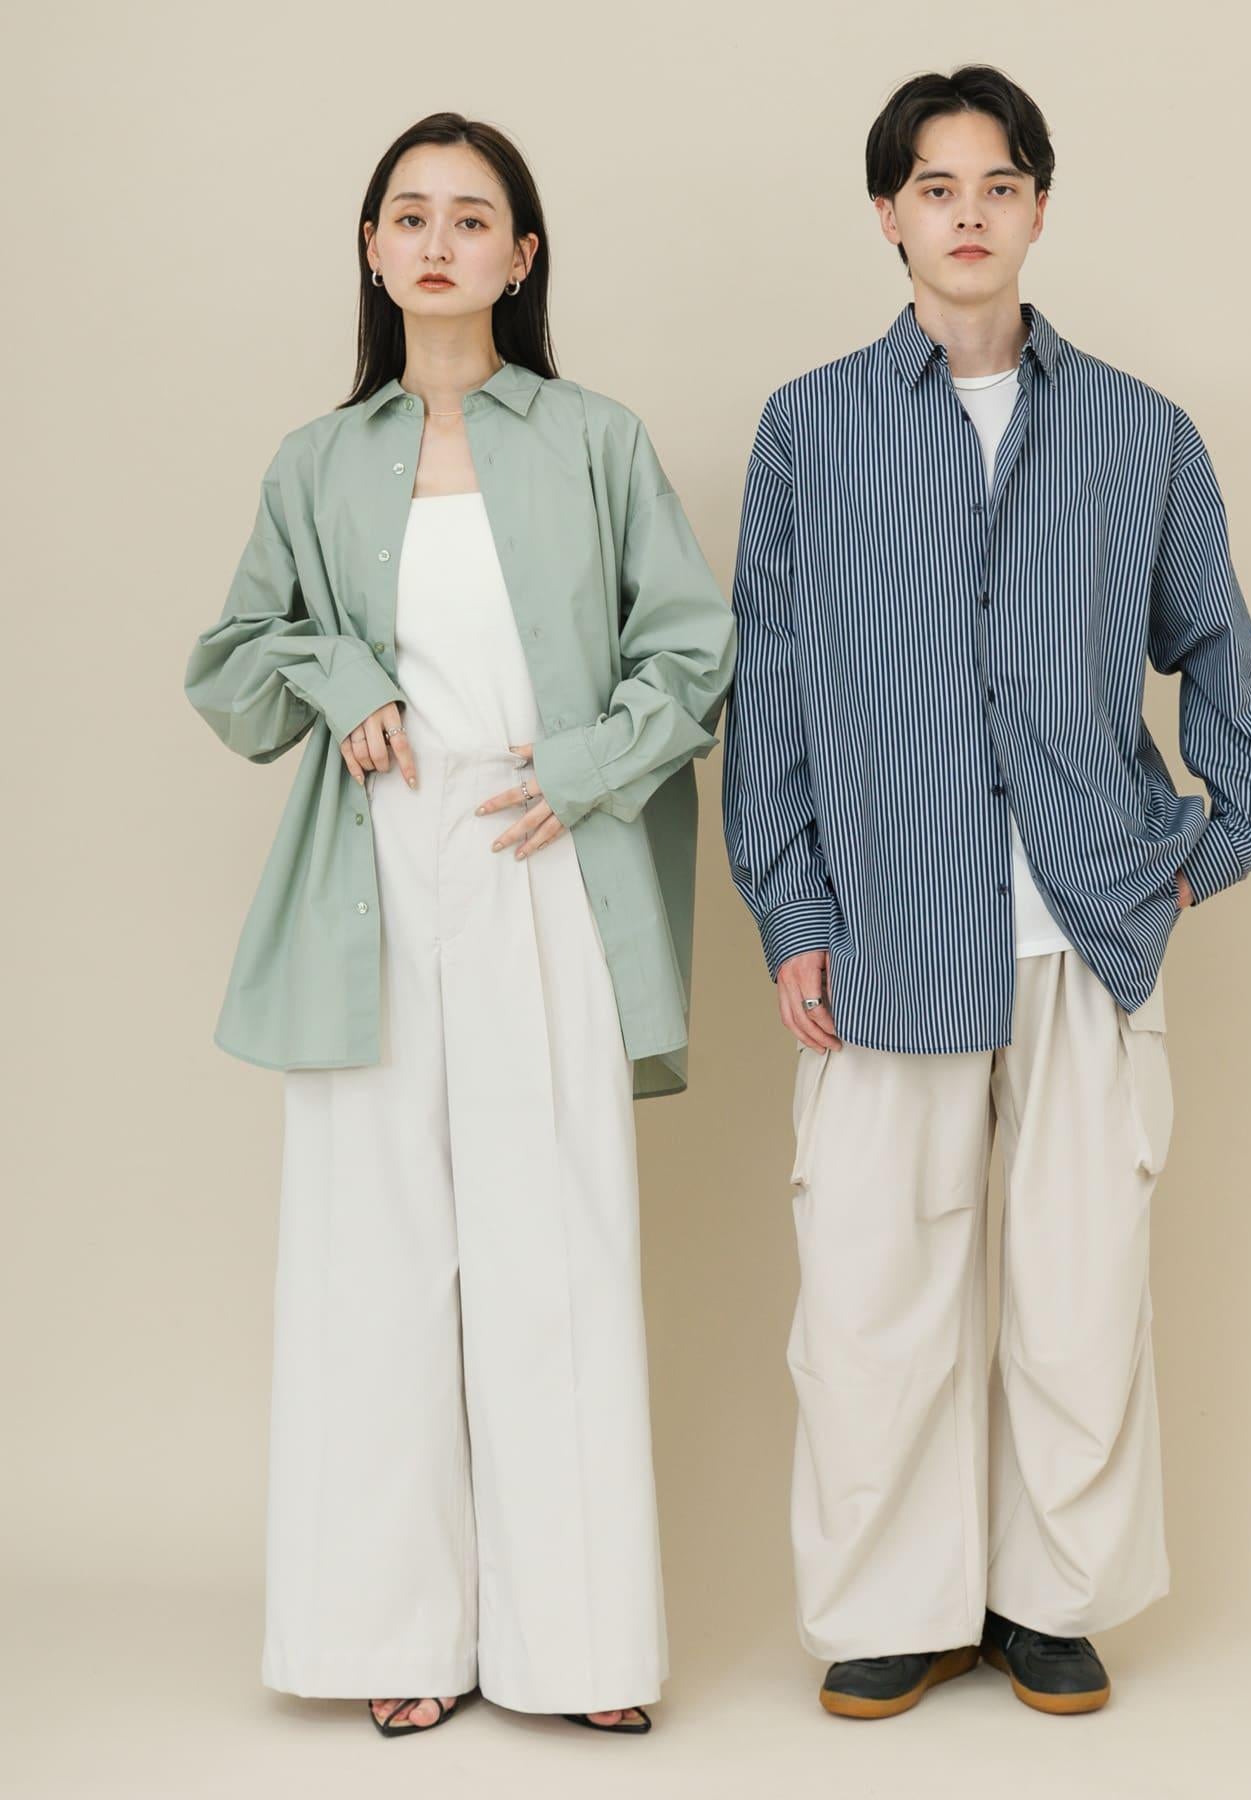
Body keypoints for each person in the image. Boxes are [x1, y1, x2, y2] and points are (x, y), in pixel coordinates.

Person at [721, 65, 1251, 1721]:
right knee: (873, 1297)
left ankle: (1050, 1600)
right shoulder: (810, 427)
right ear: (888, 215)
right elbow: (769, 693)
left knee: (1077, 1291)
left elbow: (1225, 666)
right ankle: (892, 1608)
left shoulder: (1139, 432)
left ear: (1040, 206)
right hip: (886, 928)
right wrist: (792, 913)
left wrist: (1190, 860)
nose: (966, 213)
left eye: (997, 184)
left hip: (1085, 933)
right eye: (935, 186)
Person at [185, 111, 735, 1740]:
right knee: (373, 1260)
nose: (439, 241)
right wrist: (334, 669)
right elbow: (233, 667)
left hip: (541, 859)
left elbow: (693, 652)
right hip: (369, 880)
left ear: (521, 255)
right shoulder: (314, 461)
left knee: (554, 1251)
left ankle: (583, 1655)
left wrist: (584, 769)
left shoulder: (595, 440)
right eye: (409, 215)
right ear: (373, 251)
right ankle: (397, 1636)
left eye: (472, 216)